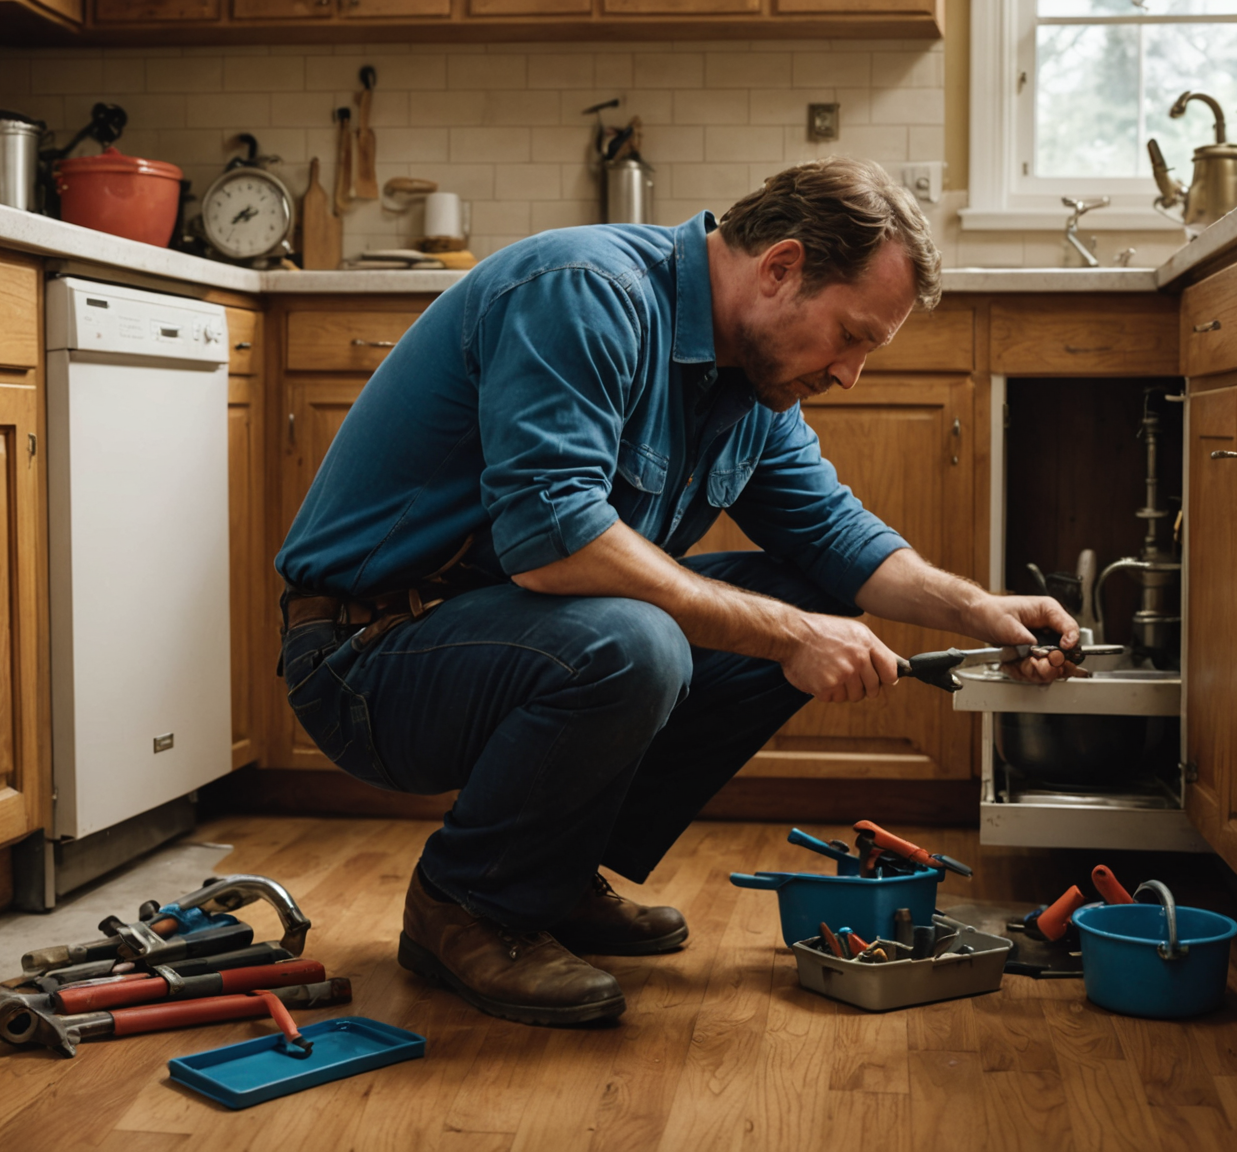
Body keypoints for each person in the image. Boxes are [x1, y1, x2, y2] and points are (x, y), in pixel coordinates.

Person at [276, 157, 1079, 1026]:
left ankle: (548, 875)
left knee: (804, 597)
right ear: (780, 268)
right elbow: (555, 542)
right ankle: (468, 905)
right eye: (850, 336)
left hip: (499, 638)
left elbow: (837, 539)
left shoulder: (751, 386)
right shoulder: (586, 292)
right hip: (367, 660)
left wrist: (981, 613)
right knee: (642, 641)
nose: (851, 373)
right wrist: (788, 637)